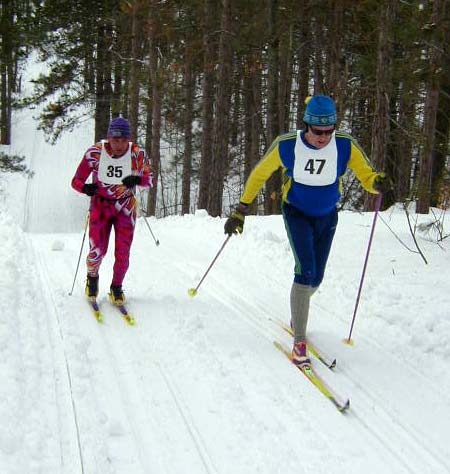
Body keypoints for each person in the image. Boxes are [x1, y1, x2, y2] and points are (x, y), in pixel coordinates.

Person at [224, 95, 390, 368]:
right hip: (297, 213)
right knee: (305, 270)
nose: (323, 137)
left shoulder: (345, 145)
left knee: (317, 277)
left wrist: (380, 185)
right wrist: (241, 210)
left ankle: (297, 310)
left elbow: (368, 177)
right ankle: (299, 340)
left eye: (328, 131)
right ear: (306, 125)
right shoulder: (287, 145)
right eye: (317, 131)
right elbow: (259, 174)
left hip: (327, 216)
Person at [71, 117, 153, 305]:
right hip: (100, 206)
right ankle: (92, 278)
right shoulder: (95, 152)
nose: (119, 145)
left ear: (129, 139)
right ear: (108, 138)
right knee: (98, 250)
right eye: (115, 140)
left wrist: (137, 180)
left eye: (124, 140)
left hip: (126, 207)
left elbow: (150, 179)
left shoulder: (137, 154)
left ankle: (116, 287)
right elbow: (76, 181)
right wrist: (85, 188)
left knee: (123, 253)